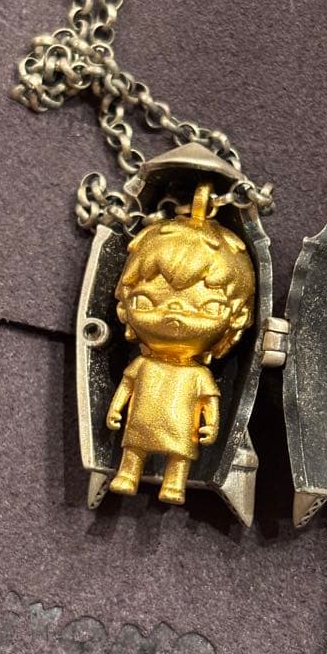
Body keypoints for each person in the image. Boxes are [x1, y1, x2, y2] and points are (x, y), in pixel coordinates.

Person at [106, 183, 255, 504]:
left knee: (180, 452)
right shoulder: (145, 365)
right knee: (134, 445)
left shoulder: (197, 374)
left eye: (207, 307)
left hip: (178, 426)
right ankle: (127, 474)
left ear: (237, 318)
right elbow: (127, 386)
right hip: (141, 421)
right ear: (124, 307)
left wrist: (210, 424)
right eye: (146, 302)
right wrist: (116, 408)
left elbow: (210, 401)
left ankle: (174, 484)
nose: (174, 314)